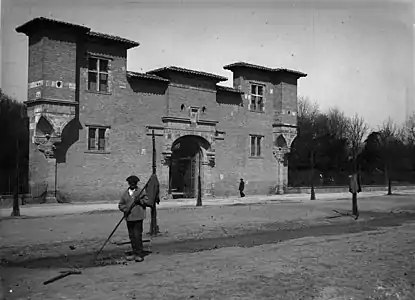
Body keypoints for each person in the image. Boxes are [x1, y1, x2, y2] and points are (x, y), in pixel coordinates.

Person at [118, 175, 150, 262]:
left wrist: (139, 201)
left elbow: (147, 201)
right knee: (132, 236)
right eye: (131, 183)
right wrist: (125, 209)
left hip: (138, 217)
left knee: (137, 236)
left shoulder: (141, 192)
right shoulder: (125, 193)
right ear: (128, 184)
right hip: (129, 217)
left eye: (134, 183)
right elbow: (121, 205)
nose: (132, 184)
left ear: (136, 183)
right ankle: (134, 253)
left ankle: (139, 254)